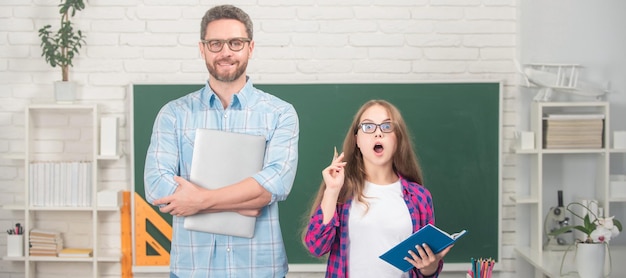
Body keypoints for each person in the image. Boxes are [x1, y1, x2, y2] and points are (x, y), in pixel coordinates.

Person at [143, 5, 299, 278]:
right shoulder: (174, 114)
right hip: (192, 269)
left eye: (235, 43)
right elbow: (157, 186)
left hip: (259, 268)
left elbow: (276, 183)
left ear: (250, 48)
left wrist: (200, 201)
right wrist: (245, 200)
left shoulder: (280, 113)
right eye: (215, 43)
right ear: (202, 49)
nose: (225, 52)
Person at [303, 100, 452, 278]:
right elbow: (316, 246)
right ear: (357, 139)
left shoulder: (419, 197)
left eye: (387, 126)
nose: (378, 133)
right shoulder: (341, 191)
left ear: (397, 138)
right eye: (368, 127)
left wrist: (430, 267)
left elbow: (425, 271)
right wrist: (331, 191)